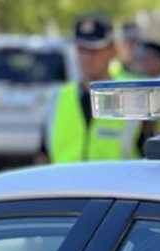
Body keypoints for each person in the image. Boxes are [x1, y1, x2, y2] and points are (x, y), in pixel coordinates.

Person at [35, 15, 142, 164]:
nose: (86, 57)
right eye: (81, 49)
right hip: (65, 187)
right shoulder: (58, 97)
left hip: (116, 187)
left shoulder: (133, 98)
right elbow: (43, 156)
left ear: (113, 50)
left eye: (94, 50)